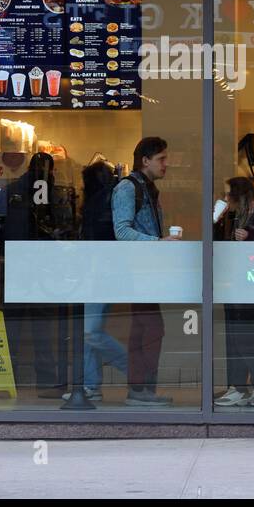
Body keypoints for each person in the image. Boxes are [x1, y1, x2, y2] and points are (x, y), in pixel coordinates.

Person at [0, 152, 69, 397]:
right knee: (43, 329)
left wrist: (7, 247)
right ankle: (46, 383)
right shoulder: (56, 196)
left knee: (12, 327)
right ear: (51, 171)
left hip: (15, 268)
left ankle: (6, 381)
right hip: (46, 271)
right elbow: (67, 230)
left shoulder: (8, 192)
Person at [113, 136, 178, 407]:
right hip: (137, 272)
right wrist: (158, 243)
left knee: (143, 329)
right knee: (152, 328)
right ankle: (142, 390)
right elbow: (122, 230)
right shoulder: (129, 189)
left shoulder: (146, 189)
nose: (166, 164)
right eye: (161, 159)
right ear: (145, 161)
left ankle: (139, 390)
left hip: (144, 272)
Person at [63, 158, 129, 402]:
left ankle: (134, 370)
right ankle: (90, 385)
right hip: (100, 272)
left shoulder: (100, 202)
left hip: (98, 273)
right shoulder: (109, 198)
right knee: (88, 331)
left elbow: (99, 239)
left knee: (89, 332)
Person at [214, 176, 254, 408]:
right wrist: (216, 220)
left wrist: (251, 239)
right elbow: (220, 245)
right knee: (236, 337)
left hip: (252, 284)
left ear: (239, 195)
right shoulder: (237, 215)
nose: (225, 198)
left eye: (229, 194)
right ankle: (238, 386)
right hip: (236, 283)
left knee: (245, 338)